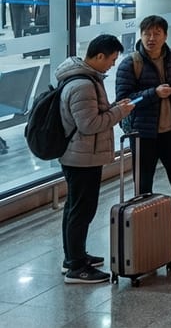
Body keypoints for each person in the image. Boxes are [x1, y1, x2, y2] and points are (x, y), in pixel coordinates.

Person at [58, 34, 136, 283]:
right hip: (81, 157)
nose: (112, 65)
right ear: (99, 56)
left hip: (80, 154)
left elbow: (92, 114)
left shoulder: (85, 79)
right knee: (81, 211)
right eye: (111, 60)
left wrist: (114, 107)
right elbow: (89, 124)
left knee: (75, 208)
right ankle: (76, 267)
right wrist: (119, 112)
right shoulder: (82, 85)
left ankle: (73, 257)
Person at [115, 15, 171, 216]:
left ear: (165, 36)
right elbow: (125, 102)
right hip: (143, 135)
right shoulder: (130, 63)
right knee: (143, 187)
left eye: (156, 33)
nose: (151, 38)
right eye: (147, 34)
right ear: (141, 36)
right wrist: (154, 94)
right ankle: (144, 230)